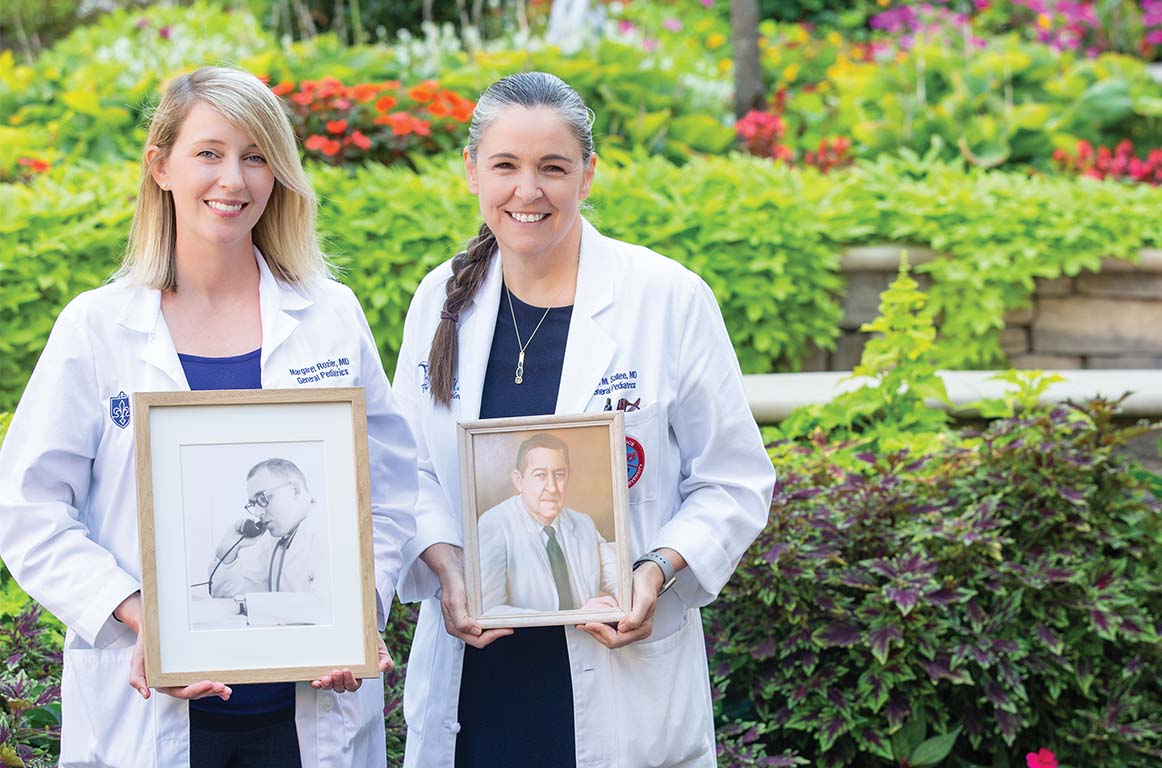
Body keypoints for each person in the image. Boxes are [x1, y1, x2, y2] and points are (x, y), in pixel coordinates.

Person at [0, 66, 418, 767]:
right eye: (210, 154)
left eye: (256, 157)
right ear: (160, 166)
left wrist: (355, 610)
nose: (234, 179)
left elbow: (391, 489)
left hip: (305, 716)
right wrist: (142, 617)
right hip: (156, 713)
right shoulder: (97, 329)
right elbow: (29, 508)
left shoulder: (329, 316)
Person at [392, 71, 776, 767]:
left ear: (588, 175)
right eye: (505, 166)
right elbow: (407, 470)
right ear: (472, 172)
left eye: (553, 168)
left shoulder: (667, 300)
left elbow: (734, 479)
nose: (527, 191)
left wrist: (655, 571)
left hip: (619, 679)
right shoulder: (441, 299)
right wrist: (447, 566)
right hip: (478, 680)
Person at [477, 433, 618, 615]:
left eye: (559, 475)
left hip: (586, 640)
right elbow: (488, 610)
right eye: (540, 475)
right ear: (519, 481)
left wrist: (633, 599)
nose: (552, 487)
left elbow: (617, 579)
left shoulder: (583, 523)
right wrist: (577, 616)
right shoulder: (494, 524)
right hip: (526, 642)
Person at [198, 458, 330, 628]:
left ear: (295, 490)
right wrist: (227, 554)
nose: (258, 512)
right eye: (253, 504)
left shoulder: (333, 530)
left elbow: (324, 606)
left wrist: (244, 604)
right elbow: (233, 598)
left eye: (263, 498)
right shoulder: (271, 541)